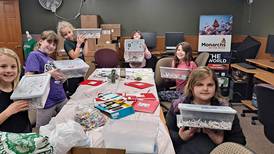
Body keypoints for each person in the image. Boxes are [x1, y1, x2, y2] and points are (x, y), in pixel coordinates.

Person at [166, 66, 246, 154]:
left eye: (210, 85)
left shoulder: (226, 110)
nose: (205, 89)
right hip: (184, 147)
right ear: (191, 87)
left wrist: (221, 142)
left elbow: (239, 142)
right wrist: (180, 137)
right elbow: (166, 134)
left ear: (215, 87)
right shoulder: (177, 107)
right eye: (200, 84)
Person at [25, 30, 67, 127]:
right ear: (40, 41)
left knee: (66, 124)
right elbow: (29, 79)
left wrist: (62, 78)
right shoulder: (34, 55)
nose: (51, 46)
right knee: (42, 130)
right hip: (47, 101)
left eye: (54, 44)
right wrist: (49, 73)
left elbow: (53, 77)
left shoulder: (50, 59)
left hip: (61, 97)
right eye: (49, 42)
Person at [0, 48, 31, 133]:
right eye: (3, 66)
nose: (9, 70)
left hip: (23, 131)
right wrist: (9, 111)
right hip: (6, 140)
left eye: (13, 66)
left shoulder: (19, 87)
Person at [57, 21, 88, 97]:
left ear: (73, 30)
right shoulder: (67, 43)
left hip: (81, 68)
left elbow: (85, 53)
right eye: (65, 35)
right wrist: (78, 44)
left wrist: (86, 42)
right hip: (73, 70)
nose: (68, 35)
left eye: (69, 32)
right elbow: (74, 56)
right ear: (62, 36)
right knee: (73, 91)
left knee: (81, 88)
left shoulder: (78, 39)